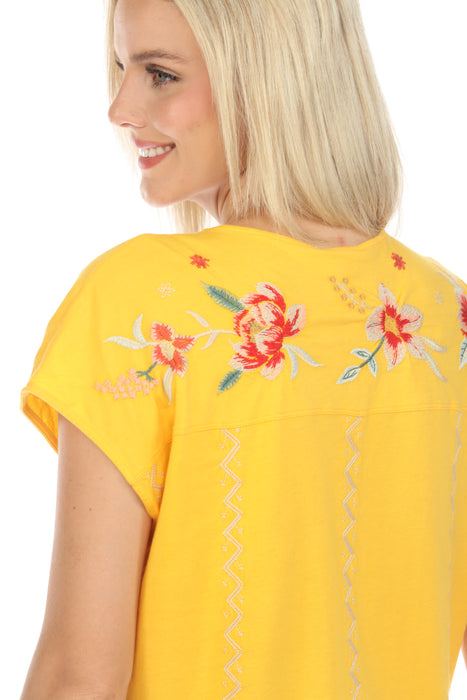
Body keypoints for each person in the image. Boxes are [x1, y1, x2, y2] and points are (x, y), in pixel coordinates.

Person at [19, 0, 467, 698]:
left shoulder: (143, 306)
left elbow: (80, 680)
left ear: (265, 77)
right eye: (121, 68)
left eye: (160, 73)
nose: (120, 110)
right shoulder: (444, 317)